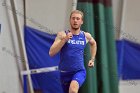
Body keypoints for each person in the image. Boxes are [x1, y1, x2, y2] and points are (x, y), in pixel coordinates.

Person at [49, 10, 97, 93]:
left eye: (78, 19)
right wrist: (65, 40)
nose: (75, 20)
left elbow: (93, 44)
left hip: (79, 71)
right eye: (73, 18)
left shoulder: (85, 36)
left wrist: (92, 59)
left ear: (82, 22)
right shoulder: (62, 35)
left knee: (73, 90)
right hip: (64, 72)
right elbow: (51, 53)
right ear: (70, 20)